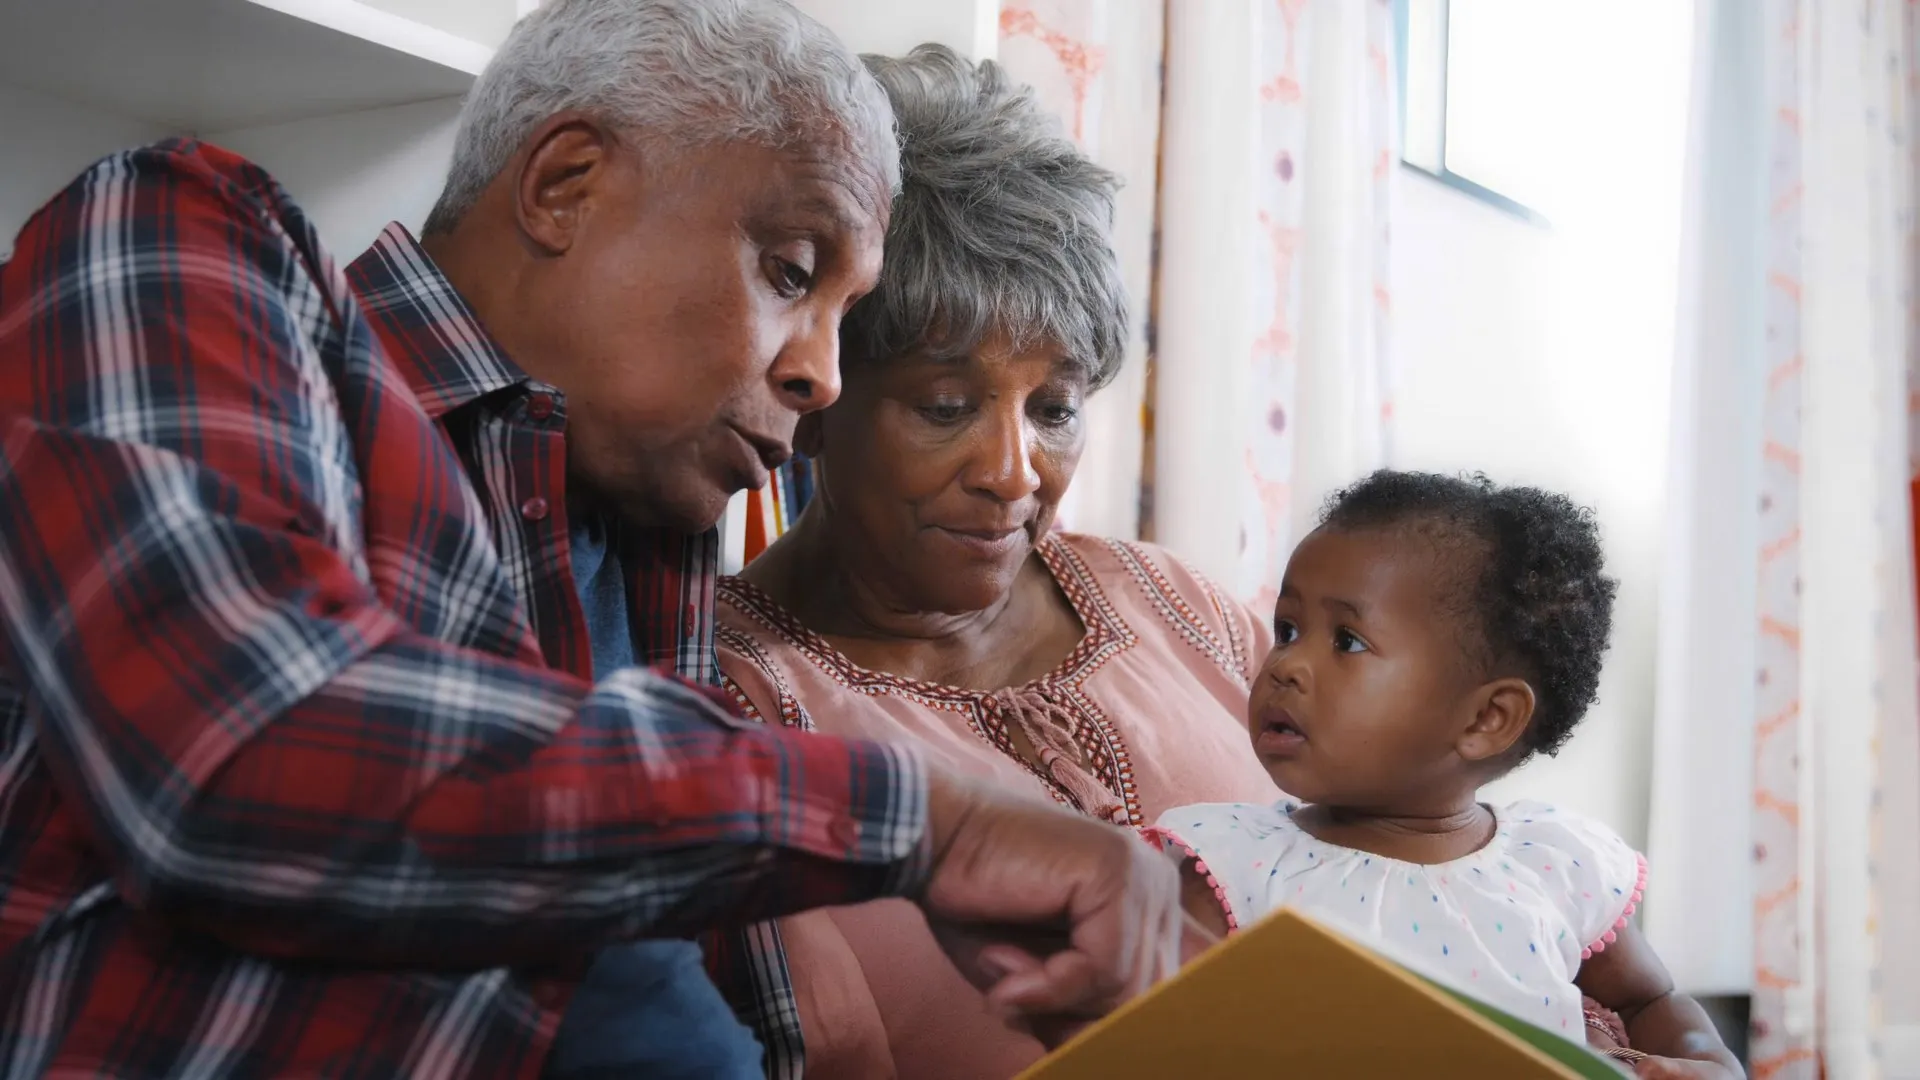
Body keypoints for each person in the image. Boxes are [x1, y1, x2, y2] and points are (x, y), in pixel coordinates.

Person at [0, 3, 1187, 1078]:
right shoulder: (178, 237)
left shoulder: (657, 563)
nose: (822, 376)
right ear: (565, 186)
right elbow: (245, 755)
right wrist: (932, 820)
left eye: (844, 319)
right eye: (790, 272)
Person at [714, 44, 1280, 1078]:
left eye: (1054, 409)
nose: (1014, 473)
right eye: (946, 406)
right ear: (819, 391)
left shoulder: (1177, 605)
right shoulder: (733, 702)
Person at [1152, 471, 1744, 1078]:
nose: (1287, 665)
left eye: (1347, 641)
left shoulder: (1553, 866)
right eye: (1288, 630)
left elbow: (1649, 1000)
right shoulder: (1239, 866)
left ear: (1488, 718)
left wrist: (1707, 1062)